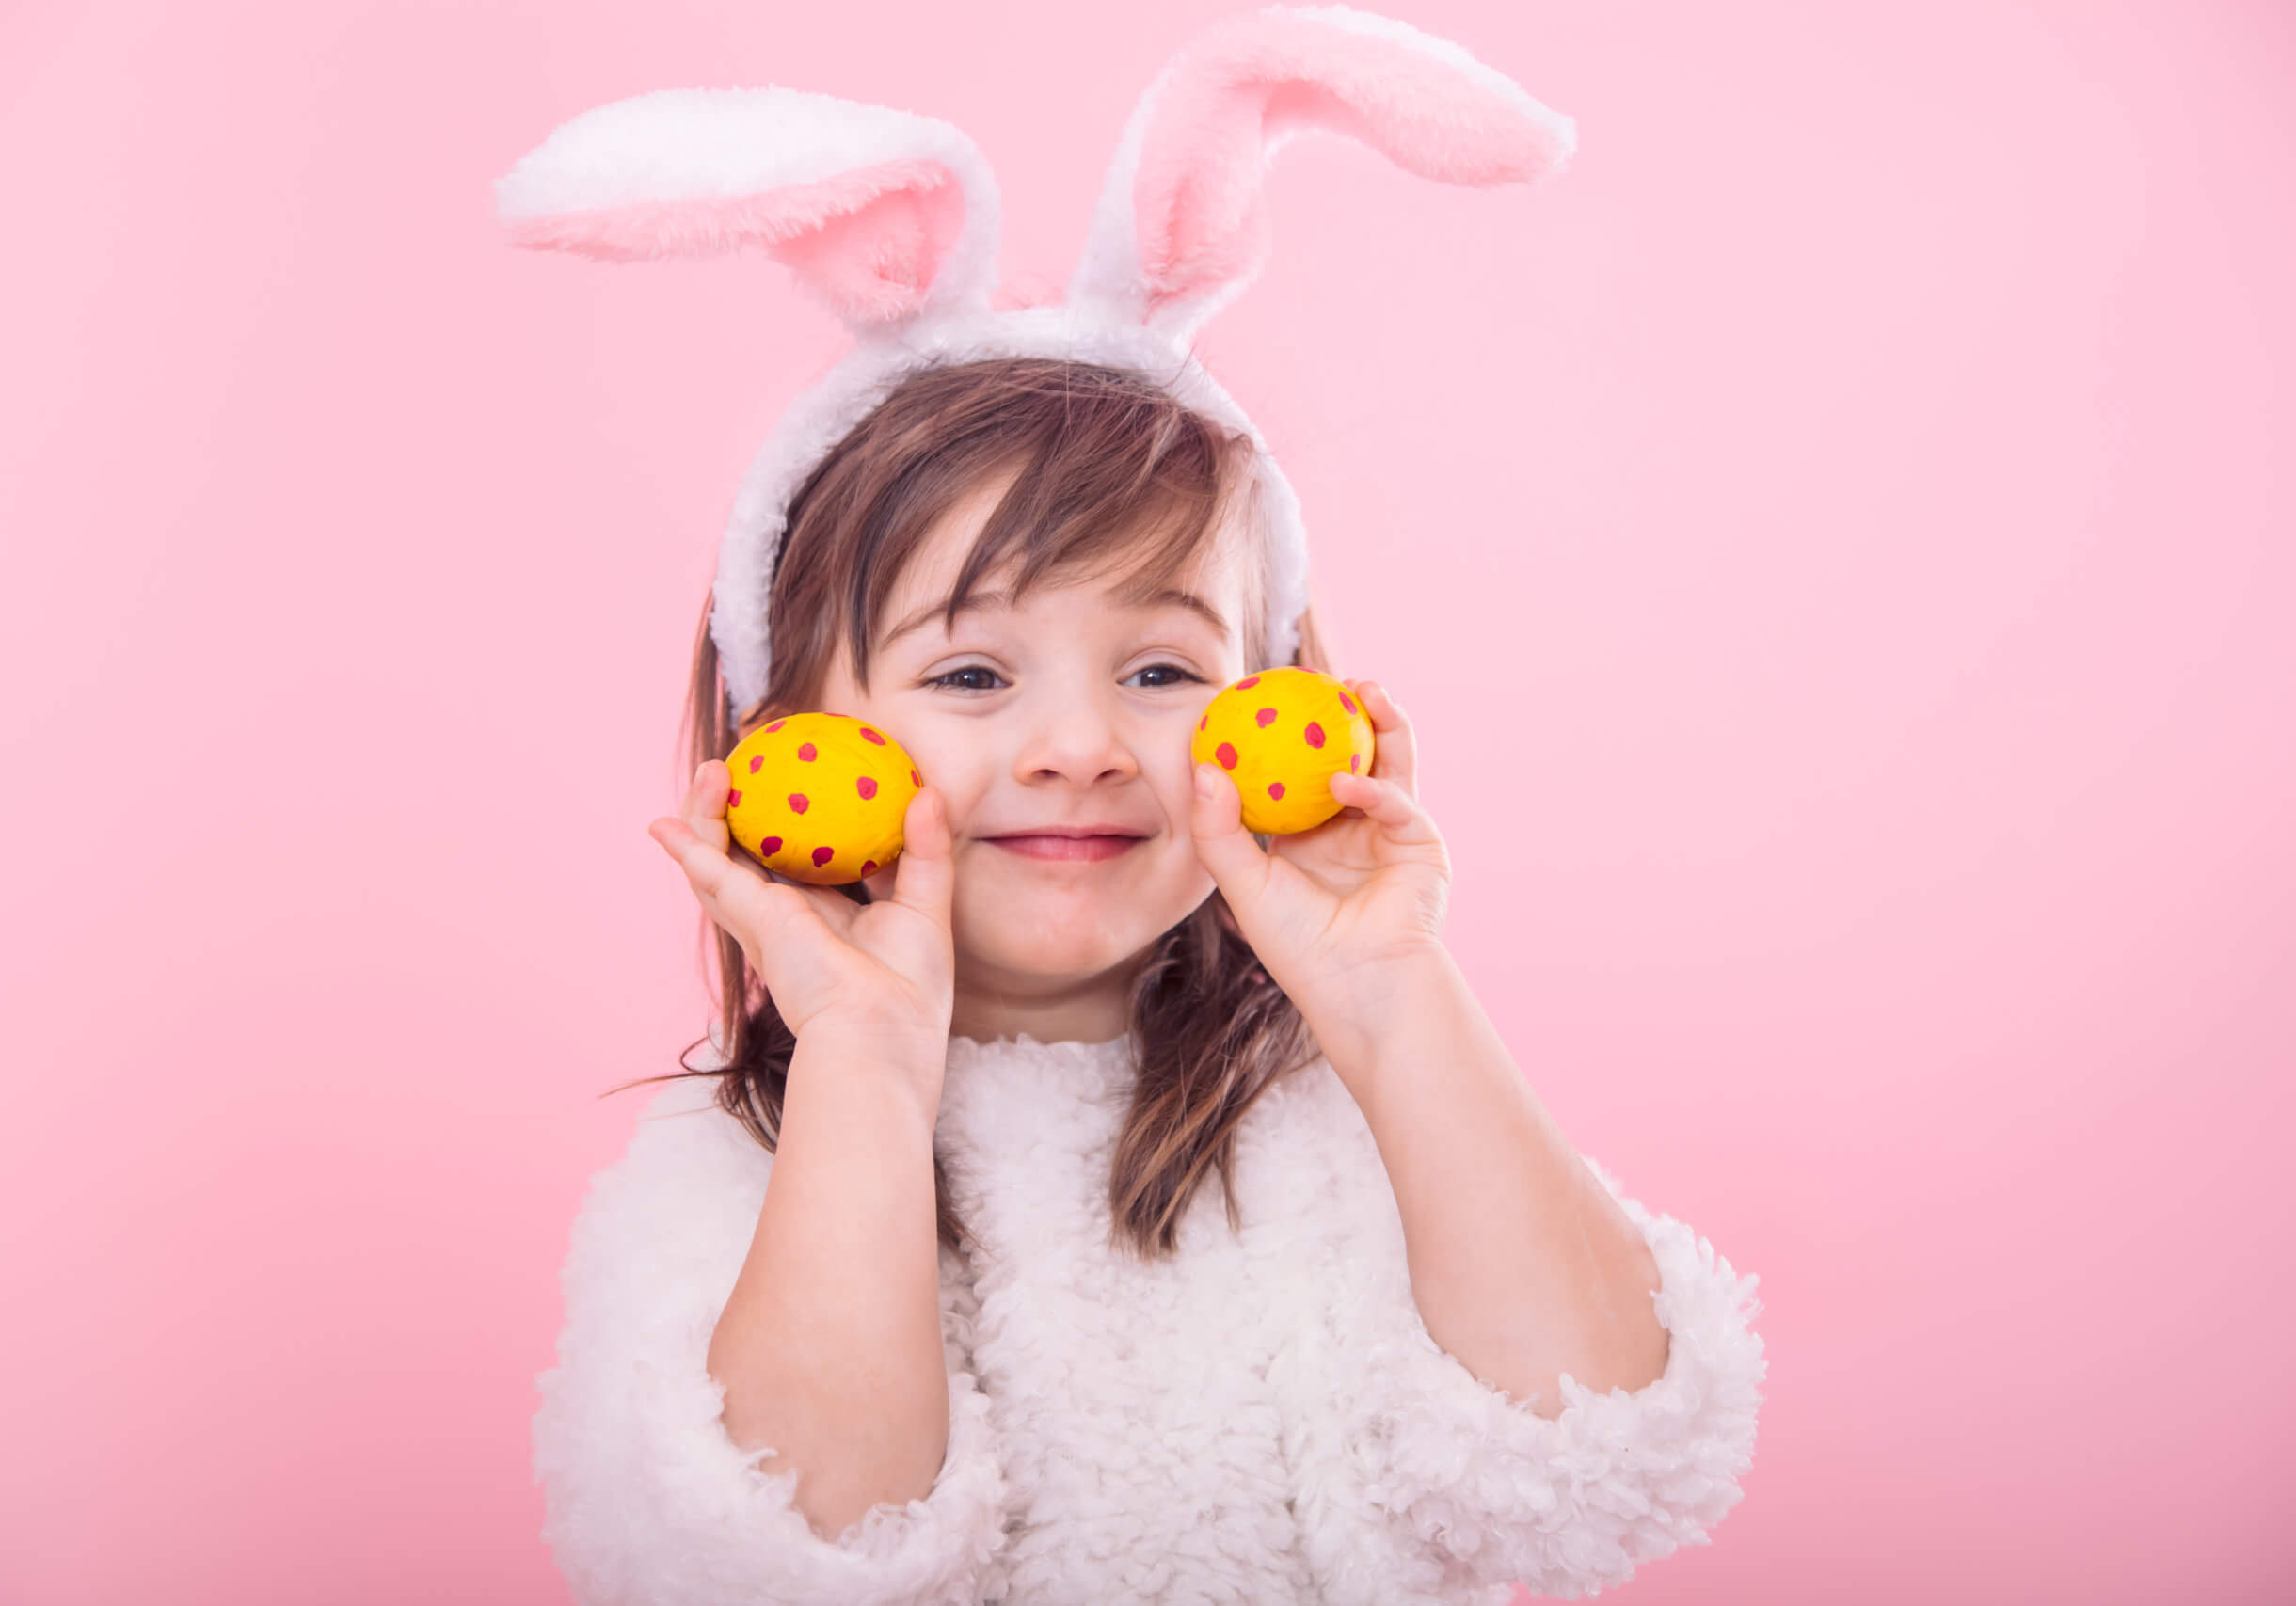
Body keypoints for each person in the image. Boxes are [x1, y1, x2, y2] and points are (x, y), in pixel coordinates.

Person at [502, 11, 1764, 1604]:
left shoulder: (1349, 1122)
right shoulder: (728, 1165)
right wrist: (870, 1076)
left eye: (1162, 672)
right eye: (972, 678)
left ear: (1274, 704)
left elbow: (1601, 1459)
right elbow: (775, 1565)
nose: (1084, 745)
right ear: (786, 748)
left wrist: (1388, 998)